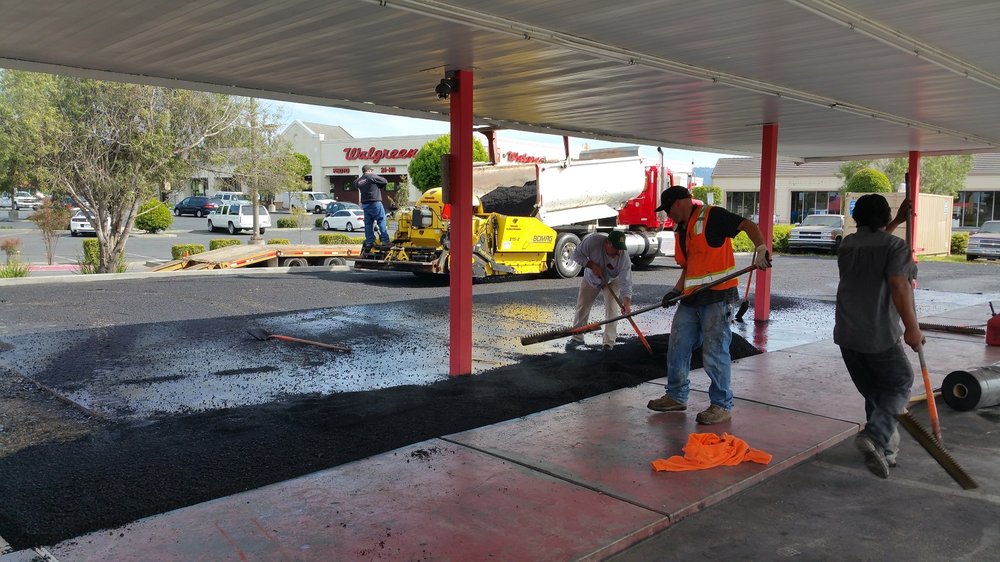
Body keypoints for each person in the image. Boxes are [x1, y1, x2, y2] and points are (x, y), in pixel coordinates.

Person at [646, 186, 771, 425]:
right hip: (691, 298)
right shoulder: (683, 229)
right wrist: (675, 291)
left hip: (718, 297)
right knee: (677, 346)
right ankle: (676, 396)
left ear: (678, 203)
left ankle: (721, 405)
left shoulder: (711, 216)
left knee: (714, 351)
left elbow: (747, 225)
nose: (668, 215)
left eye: (668, 210)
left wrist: (761, 248)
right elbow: (690, 267)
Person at [834, 194, 921, 479]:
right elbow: (898, 283)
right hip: (878, 334)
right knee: (899, 382)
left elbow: (874, 243)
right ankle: (875, 435)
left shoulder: (848, 245)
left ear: (856, 217)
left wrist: (895, 222)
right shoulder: (895, 247)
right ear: (883, 218)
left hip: (847, 334)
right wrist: (912, 328)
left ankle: (883, 451)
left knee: (876, 393)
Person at [565, 231, 633, 351]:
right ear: (607, 243)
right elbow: (576, 255)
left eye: (620, 249)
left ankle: (608, 343)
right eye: (616, 248)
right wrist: (592, 265)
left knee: (612, 309)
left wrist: (627, 302)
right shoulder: (592, 242)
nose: (618, 252)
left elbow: (626, 282)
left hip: (612, 280)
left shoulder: (623, 257)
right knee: (582, 307)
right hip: (591, 278)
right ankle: (577, 337)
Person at [354, 164, 390, 249]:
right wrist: (378, 184)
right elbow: (384, 181)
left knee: (368, 224)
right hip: (375, 203)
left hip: (365, 205)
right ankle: (385, 240)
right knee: (381, 220)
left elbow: (355, 184)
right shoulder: (371, 176)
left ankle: (369, 242)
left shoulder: (358, 181)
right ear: (369, 170)